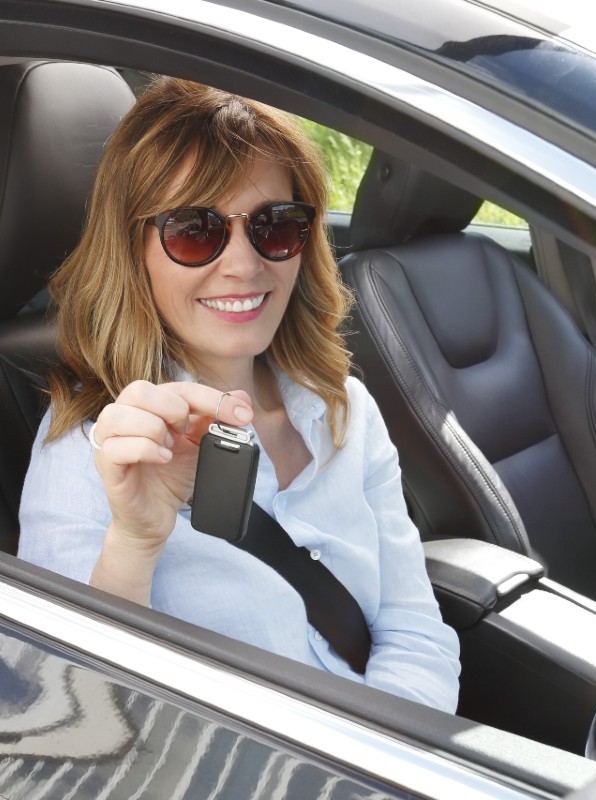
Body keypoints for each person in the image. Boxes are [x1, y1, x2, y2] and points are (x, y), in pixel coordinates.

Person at [18, 77, 460, 712]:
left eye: (275, 227)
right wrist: (134, 543)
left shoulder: (344, 410)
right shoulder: (92, 447)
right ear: (134, 250)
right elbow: (73, 713)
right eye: (195, 231)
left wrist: (387, 761)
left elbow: (415, 629)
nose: (245, 265)